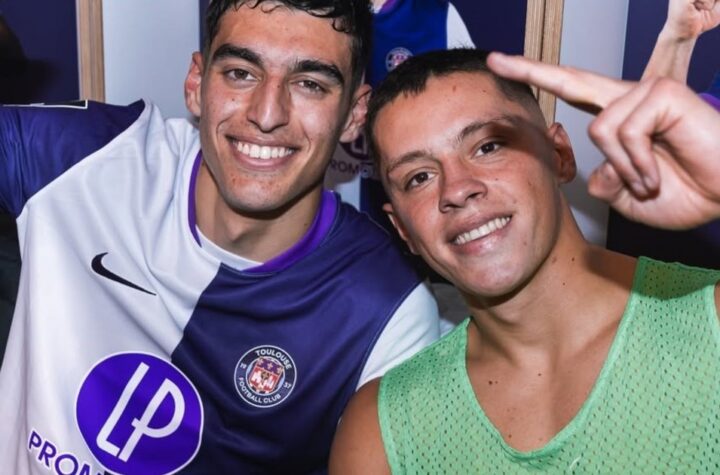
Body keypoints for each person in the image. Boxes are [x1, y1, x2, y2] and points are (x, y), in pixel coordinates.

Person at [0, 1, 441, 473]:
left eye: (309, 84)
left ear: (354, 115)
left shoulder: (386, 311)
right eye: (240, 73)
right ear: (196, 83)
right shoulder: (82, 158)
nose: (267, 114)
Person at [329, 48, 720, 473]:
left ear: (559, 155)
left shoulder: (710, 322)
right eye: (419, 177)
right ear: (403, 229)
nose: (456, 189)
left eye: (488, 147)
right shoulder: (383, 432)